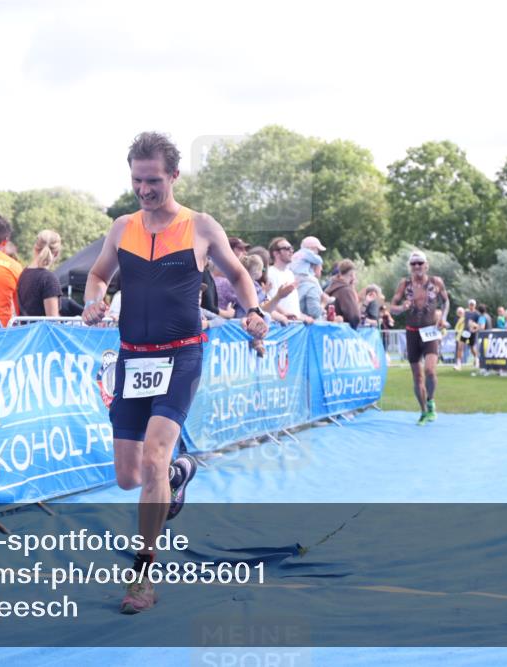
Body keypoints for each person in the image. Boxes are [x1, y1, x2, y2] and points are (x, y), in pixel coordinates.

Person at [82, 132, 268, 615]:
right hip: (133, 356)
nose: (144, 189)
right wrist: (92, 301)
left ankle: (143, 576)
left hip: (182, 354)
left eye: (154, 181)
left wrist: (253, 311)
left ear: (174, 176)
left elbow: (239, 274)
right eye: (137, 180)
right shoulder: (121, 227)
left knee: (155, 457)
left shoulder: (201, 226)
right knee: (128, 475)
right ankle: (181, 472)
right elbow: (99, 275)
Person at [389, 250, 450, 425]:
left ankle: (430, 401)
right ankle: (423, 411)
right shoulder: (404, 284)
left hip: (430, 331)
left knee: (430, 370)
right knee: (417, 376)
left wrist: (443, 318)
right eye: (413, 263)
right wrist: (402, 308)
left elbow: (446, 301)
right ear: (410, 266)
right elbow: (392, 307)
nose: (417, 266)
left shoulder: (436, 282)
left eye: (420, 263)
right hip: (412, 332)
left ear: (426, 265)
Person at [17, 229, 63, 317]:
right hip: (42, 331)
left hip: (25, 330)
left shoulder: (23, 273)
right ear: (56, 253)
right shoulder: (49, 279)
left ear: (35, 248)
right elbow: (53, 320)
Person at [266, 237, 311, 322]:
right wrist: (286, 315)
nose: (291, 251)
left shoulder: (290, 273)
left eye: (291, 248)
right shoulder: (270, 273)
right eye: (287, 248)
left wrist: (301, 316)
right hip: (280, 325)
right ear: (276, 253)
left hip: (293, 325)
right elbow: (269, 300)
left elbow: (292, 304)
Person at [290, 247, 325, 320]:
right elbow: (315, 312)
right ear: (314, 266)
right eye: (321, 266)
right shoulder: (311, 286)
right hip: (307, 327)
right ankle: (324, 296)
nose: (322, 269)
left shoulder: (291, 280)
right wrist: (324, 303)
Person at [325, 260, 361, 329]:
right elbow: (354, 317)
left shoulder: (330, 287)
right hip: (342, 334)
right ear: (352, 275)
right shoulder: (346, 291)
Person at [456, 299, 481, 370]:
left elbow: (479, 324)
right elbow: (460, 315)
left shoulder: (477, 314)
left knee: (472, 348)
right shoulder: (466, 312)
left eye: (472, 304)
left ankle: (477, 360)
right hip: (466, 332)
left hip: (472, 332)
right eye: (470, 304)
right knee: (460, 346)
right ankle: (458, 363)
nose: (471, 306)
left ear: (475, 305)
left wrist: (474, 326)